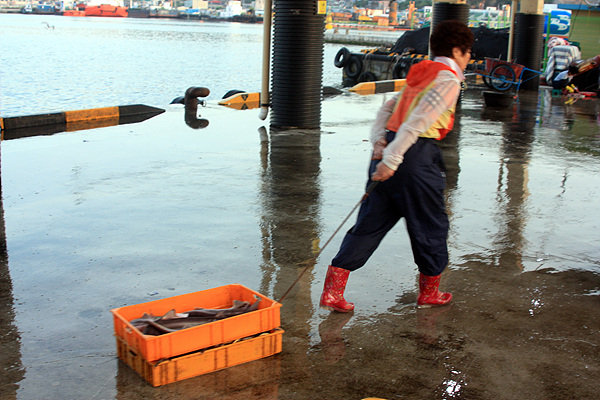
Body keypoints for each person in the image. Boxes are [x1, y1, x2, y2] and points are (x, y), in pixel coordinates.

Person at [319, 20, 474, 312]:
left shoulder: (422, 72)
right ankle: (429, 293)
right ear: (456, 50)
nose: (468, 60)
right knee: (430, 225)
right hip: (414, 157)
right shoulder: (449, 79)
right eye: (467, 54)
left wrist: (380, 143)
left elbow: (389, 108)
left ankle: (332, 293)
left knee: (369, 224)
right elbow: (419, 122)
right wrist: (392, 159)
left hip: (388, 148)